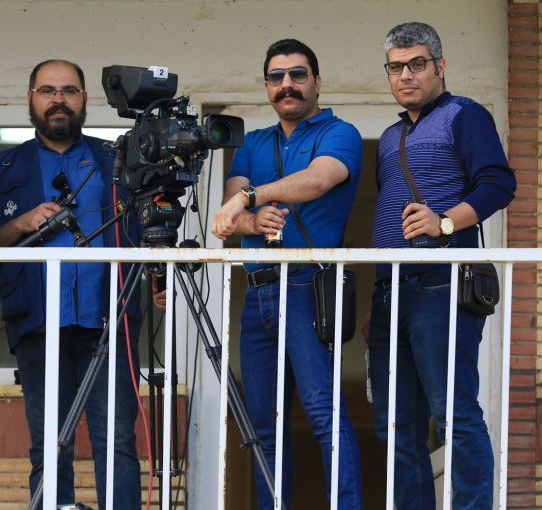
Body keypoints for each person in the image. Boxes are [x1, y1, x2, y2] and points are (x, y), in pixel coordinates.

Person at [368, 22, 516, 510]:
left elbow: (499, 185)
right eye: (396, 67)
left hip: (442, 283)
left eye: (417, 64)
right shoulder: (389, 137)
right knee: (394, 424)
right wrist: (378, 296)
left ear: (440, 66)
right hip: (390, 291)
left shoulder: (464, 114)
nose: (406, 75)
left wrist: (445, 222)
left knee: (455, 414)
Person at [212, 39, 363, 509]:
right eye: (276, 77)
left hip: (307, 285)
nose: (287, 85)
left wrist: (249, 198)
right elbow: (229, 217)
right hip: (258, 290)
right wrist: (251, 219)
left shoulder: (340, 132)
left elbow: (318, 179)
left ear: (317, 81)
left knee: (323, 413)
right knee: (263, 425)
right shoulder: (253, 142)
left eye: (298, 74)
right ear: (266, 86)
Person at [0, 59, 142, 509]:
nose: (59, 100)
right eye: (48, 90)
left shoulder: (116, 160)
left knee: (117, 442)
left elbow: (140, 232)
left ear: (85, 99)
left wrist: (155, 284)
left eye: (69, 91)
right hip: (38, 323)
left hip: (110, 322)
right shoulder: (2, 165)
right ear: (31, 98)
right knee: (50, 447)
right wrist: (22, 223)